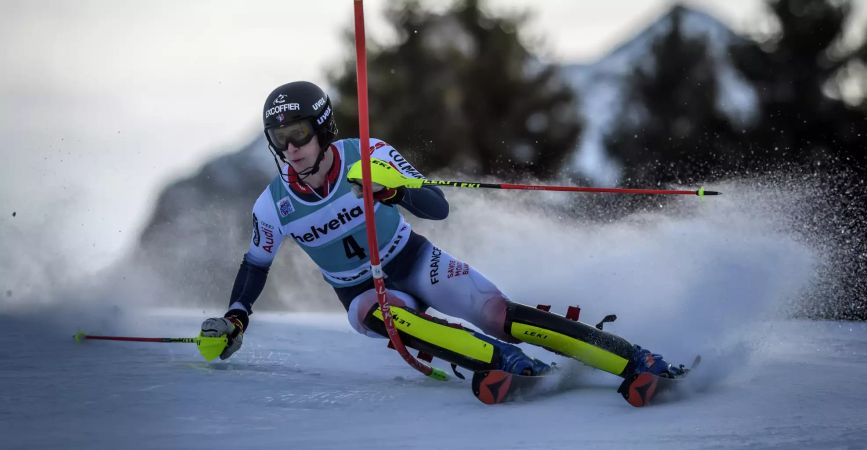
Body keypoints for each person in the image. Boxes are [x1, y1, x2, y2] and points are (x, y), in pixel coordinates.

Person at [201, 81, 685, 385]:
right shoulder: (273, 204)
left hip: (412, 258)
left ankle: (632, 358)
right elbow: (255, 266)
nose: (291, 149)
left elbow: (437, 206)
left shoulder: (370, 153)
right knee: (381, 314)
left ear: (323, 129)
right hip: (361, 289)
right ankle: (506, 362)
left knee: (495, 311)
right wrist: (234, 320)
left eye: (300, 134)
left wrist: (395, 192)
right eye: (279, 139)